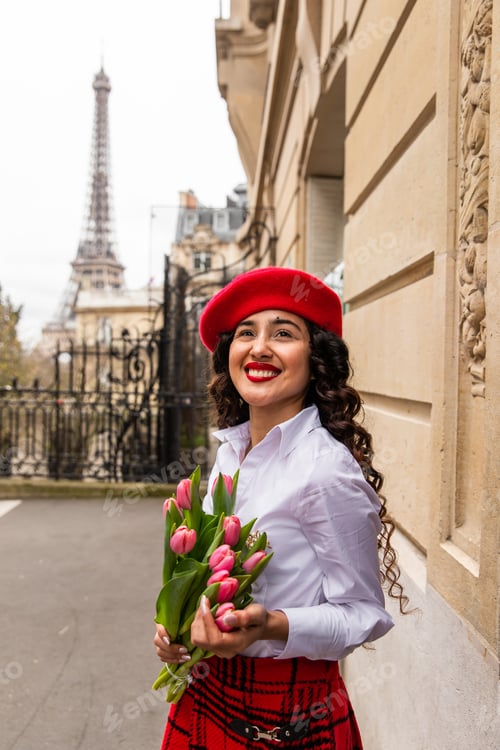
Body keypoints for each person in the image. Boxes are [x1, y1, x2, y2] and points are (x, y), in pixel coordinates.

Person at [154, 266, 407, 749]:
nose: (259, 347)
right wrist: (180, 633)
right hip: (204, 695)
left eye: (283, 333)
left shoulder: (325, 471)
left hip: (286, 714)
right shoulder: (231, 451)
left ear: (316, 361)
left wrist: (271, 625)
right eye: (246, 333)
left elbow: (363, 614)